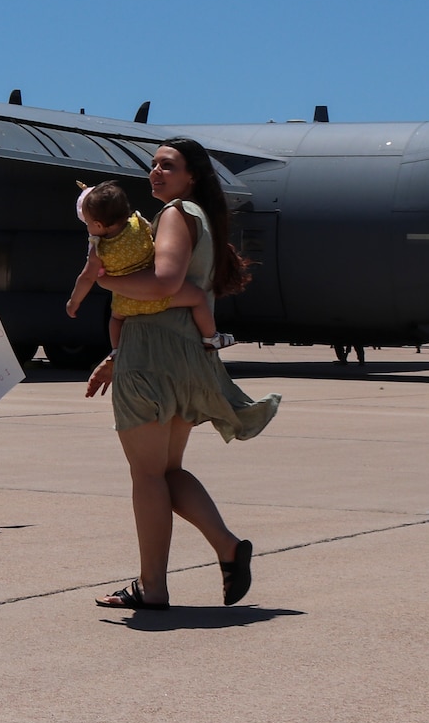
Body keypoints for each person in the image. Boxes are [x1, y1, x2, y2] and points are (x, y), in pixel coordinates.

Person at [84, 139, 281, 610]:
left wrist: (101, 280)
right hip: (185, 355)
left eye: (167, 166)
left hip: (153, 359)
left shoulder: (174, 213)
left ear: (191, 175)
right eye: (152, 165)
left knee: (146, 476)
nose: (155, 172)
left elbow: (166, 283)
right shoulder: (199, 218)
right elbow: (180, 293)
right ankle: (228, 548)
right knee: (166, 472)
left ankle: (153, 588)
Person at [66, 180, 229, 351]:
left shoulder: (99, 252)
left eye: (88, 223)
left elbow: (87, 277)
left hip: (126, 302)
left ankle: (116, 351)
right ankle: (211, 337)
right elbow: (155, 234)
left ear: (98, 224)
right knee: (199, 297)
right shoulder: (138, 223)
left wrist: (74, 301)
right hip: (154, 296)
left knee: (115, 319)